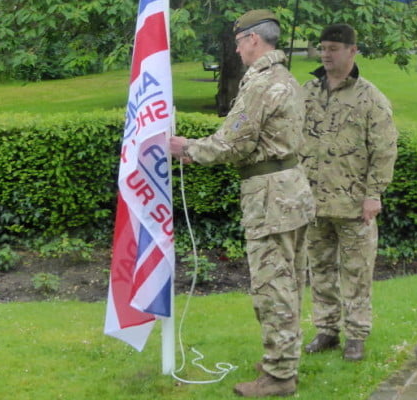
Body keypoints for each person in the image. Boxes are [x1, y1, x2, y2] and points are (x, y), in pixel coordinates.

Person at [169, 9, 315, 398]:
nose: (235, 48)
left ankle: (279, 377)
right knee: (289, 284)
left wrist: (187, 149)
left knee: (273, 289)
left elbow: (231, 144)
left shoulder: (263, 83)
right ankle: (281, 359)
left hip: (271, 198)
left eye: (238, 41)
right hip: (290, 192)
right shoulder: (285, 78)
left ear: (253, 39)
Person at [300, 23, 398, 361]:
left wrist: (375, 193)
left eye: (334, 48)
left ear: (352, 51)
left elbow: (384, 150)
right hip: (313, 203)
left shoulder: (371, 98)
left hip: (354, 203)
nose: (326, 54)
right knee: (321, 270)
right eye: (323, 47)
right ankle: (326, 330)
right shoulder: (308, 91)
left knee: (357, 273)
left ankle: (356, 335)